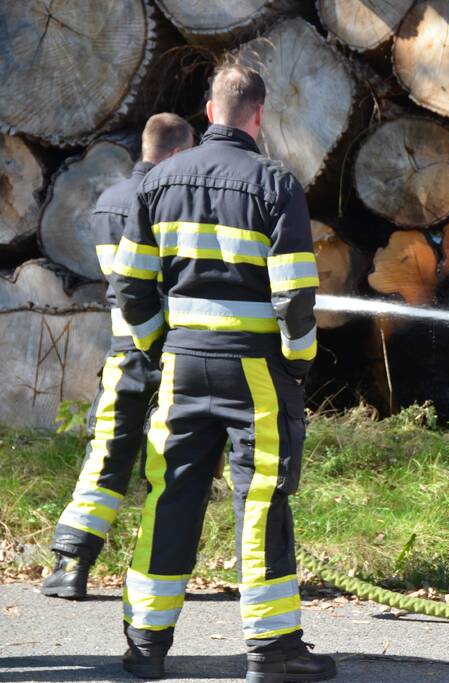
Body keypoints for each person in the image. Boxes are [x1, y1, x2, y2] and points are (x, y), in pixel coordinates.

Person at [110, 63, 332, 682]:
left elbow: (129, 283)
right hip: (254, 370)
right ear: (258, 115)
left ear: (210, 112)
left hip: (182, 366)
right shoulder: (274, 183)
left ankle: (146, 645)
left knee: (170, 493)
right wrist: (299, 361)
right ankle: (272, 651)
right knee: (260, 497)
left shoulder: (157, 181)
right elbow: (293, 294)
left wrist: (160, 346)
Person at [42, 113, 194, 600]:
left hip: (124, 348)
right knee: (173, 459)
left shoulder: (107, 202)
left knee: (107, 452)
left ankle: (71, 563)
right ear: (176, 152)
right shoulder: (179, 200)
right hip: (177, 348)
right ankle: (154, 570)